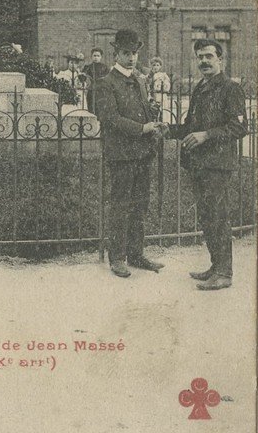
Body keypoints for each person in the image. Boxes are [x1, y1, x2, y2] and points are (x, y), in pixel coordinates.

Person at [163, 39, 247, 290]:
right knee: (208, 216)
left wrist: (206, 135)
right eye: (200, 57)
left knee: (218, 217)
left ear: (220, 59)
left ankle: (224, 273)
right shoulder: (201, 87)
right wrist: (169, 130)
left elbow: (239, 126)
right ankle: (216, 266)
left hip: (218, 164)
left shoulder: (231, 89)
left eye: (209, 56)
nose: (204, 61)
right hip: (200, 163)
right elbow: (192, 128)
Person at [95, 29, 164, 278]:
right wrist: (141, 128)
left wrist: (153, 124)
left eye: (134, 53)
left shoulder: (140, 80)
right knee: (120, 205)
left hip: (142, 153)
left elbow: (142, 110)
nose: (132, 57)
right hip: (121, 155)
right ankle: (118, 258)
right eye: (126, 53)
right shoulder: (105, 83)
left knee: (140, 205)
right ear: (116, 53)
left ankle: (136, 254)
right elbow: (109, 118)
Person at [148, 57, 171, 122]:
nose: (155, 67)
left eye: (157, 65)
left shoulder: (163, 75)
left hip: (161, 95)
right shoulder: (149, 75)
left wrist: (163, 86)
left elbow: (167, 86)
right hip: (152, 96)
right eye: (154, 65)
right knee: (153, 112)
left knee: (163, 111)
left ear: (160, 66)